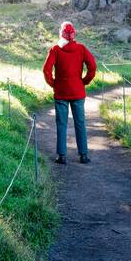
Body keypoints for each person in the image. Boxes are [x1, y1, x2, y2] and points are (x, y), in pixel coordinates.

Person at [42, 21, 97, 164]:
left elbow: (46, 69)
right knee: (80, 123)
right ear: (74, 34)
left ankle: (61, 156)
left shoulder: (55, 50)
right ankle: (83, 155)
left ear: (61, 34)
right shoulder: (81, 49)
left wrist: (53, 83)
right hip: (78, 92)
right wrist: (84, 81)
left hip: (61, 92)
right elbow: (93, 67)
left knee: (61, 124)